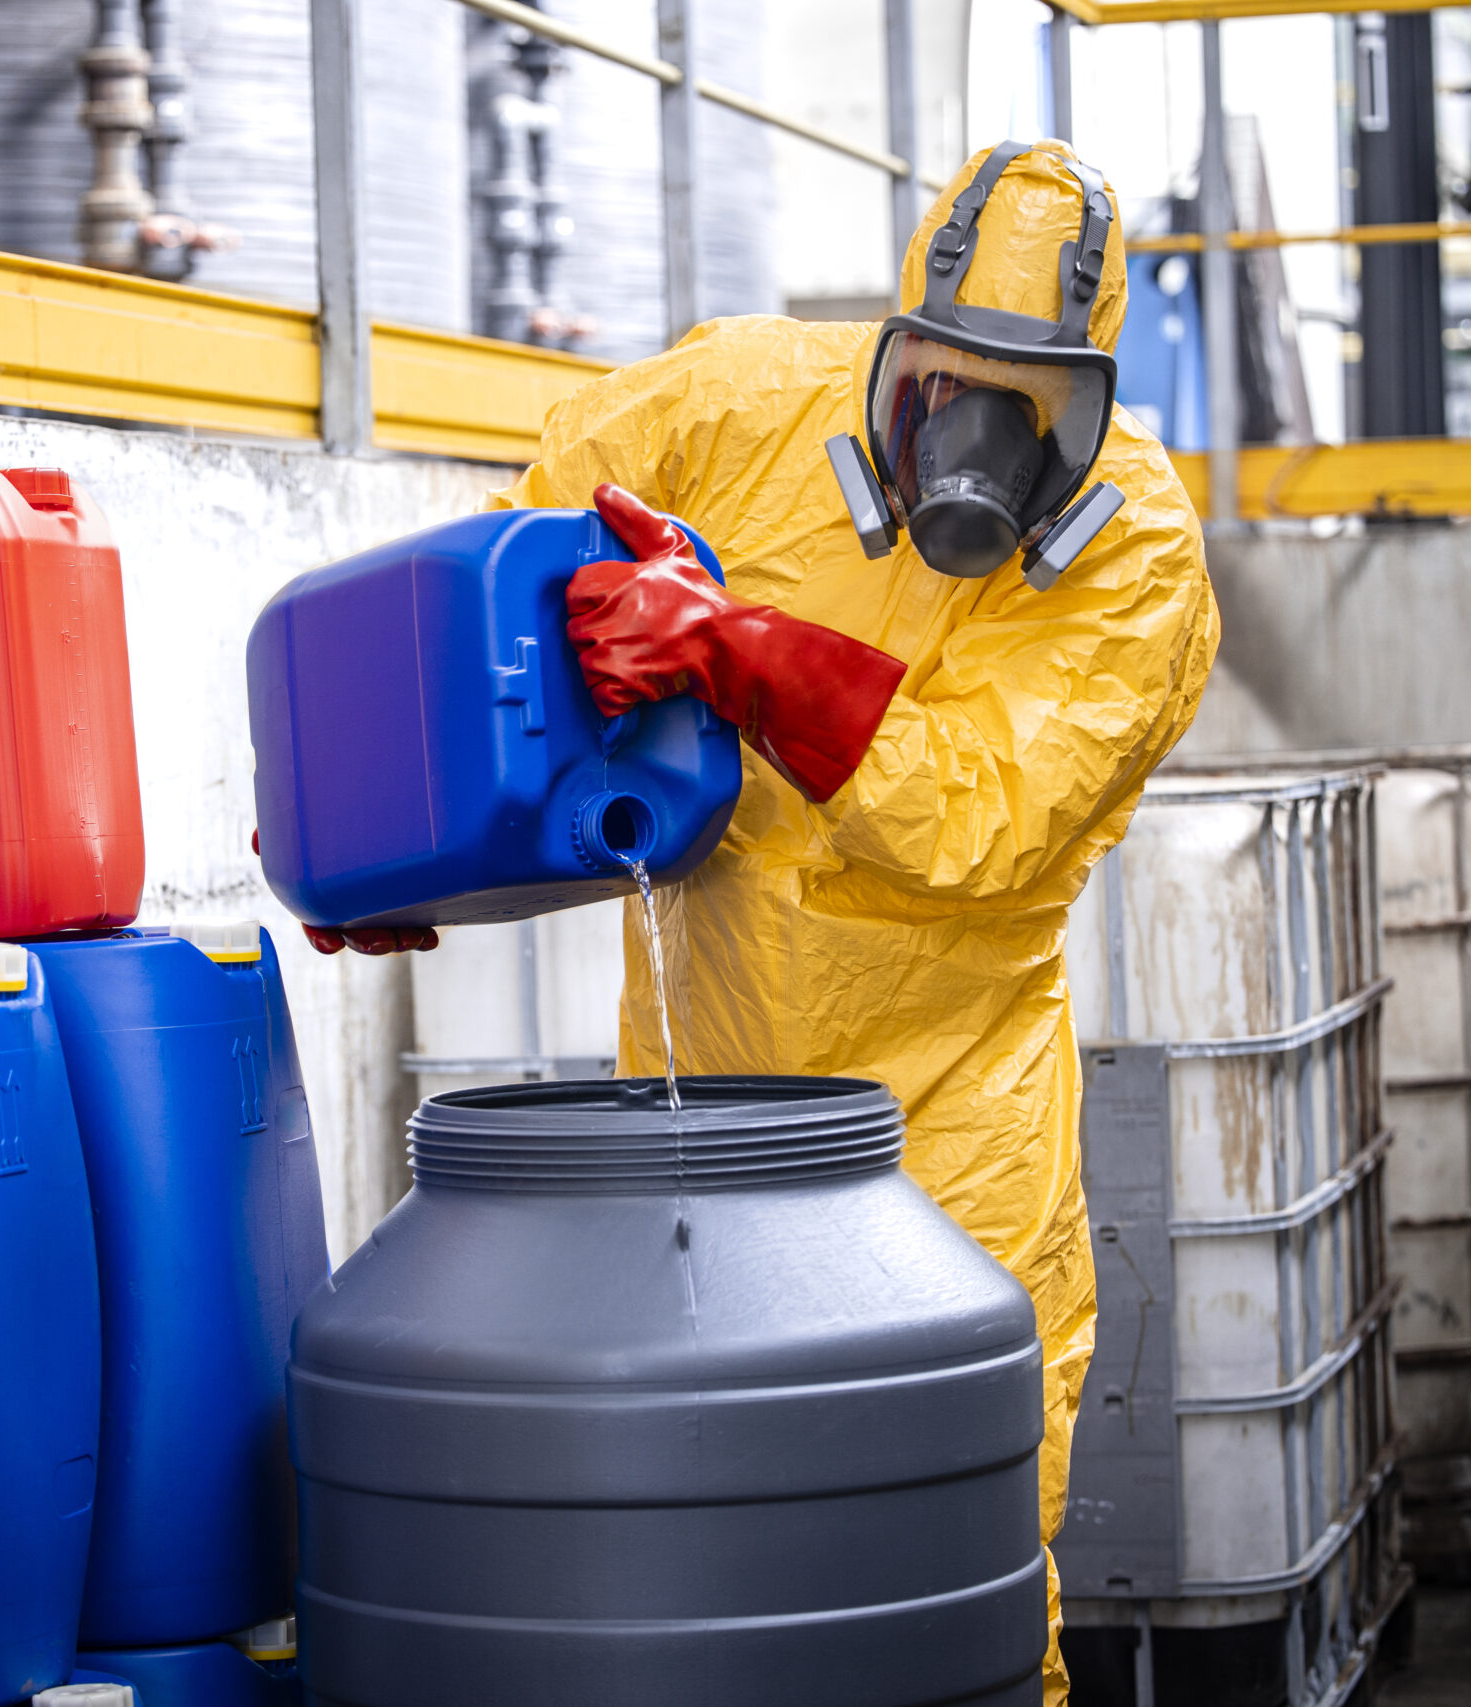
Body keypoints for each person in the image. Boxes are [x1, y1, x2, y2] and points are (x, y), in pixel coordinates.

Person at [310, 138, 1218, 1702]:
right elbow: (497, 587)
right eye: (944, 379)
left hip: (947, 1155)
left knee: (959, 1597)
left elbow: (977, 822)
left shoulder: (1134, 557)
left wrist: (740, 650)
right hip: (696, 1137)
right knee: (708, 1590)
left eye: (1034, 401)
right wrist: (388, 839)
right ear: (897, 344)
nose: (974, 433)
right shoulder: (736, 405)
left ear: (1092, 398)